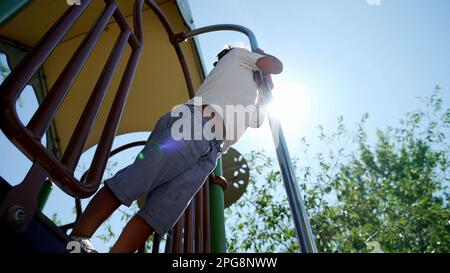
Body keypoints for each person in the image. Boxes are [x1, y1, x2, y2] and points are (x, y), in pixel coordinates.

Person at [69, 45, 283, 253]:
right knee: (139, 177)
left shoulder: (252, 92)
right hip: (194, 124)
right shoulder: (239, 55)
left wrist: (265, 89)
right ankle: (80, 236)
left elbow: (257, 120)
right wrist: (262, 59)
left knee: (161, 212)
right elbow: (276, 65)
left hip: (212, 151)